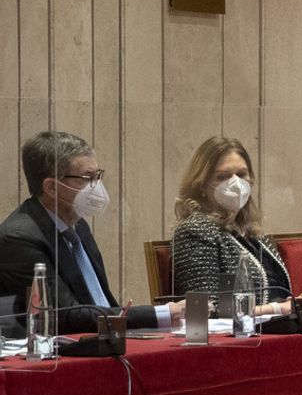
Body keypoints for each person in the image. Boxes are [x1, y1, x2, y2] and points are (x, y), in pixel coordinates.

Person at [0, 130, 181, 332]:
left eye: (97, 176)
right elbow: (64, 316)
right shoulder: (19, 239)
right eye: (87, 178)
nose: (96, 187)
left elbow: (101, 302)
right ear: (51, 188)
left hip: (104, 340)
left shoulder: (78, 226)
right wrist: (158, 314)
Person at [170, 136, 302, 316]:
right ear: (201, 184)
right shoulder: (195, 230)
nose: (236, 184)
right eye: (222, 177)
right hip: (233, 338)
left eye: (241, 174)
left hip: (274, 330)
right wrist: (278, 309)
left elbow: (273, 293)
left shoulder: (253, 232)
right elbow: (205, 309)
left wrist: (298, 301)